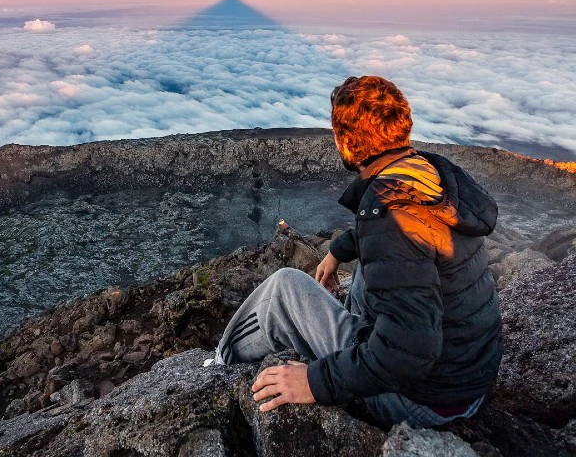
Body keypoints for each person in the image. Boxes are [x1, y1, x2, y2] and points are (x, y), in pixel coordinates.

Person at [211, 75, 502, 428]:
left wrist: (316, 382)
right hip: (466, 380)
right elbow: (406, 239)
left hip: (423, 401)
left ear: (346, 143)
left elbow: (410, 351)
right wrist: (339, 250)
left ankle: (220, 365)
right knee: (367, 272)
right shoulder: (428, 175)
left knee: (284, 288)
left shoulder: (388, 216)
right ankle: (345, 337)